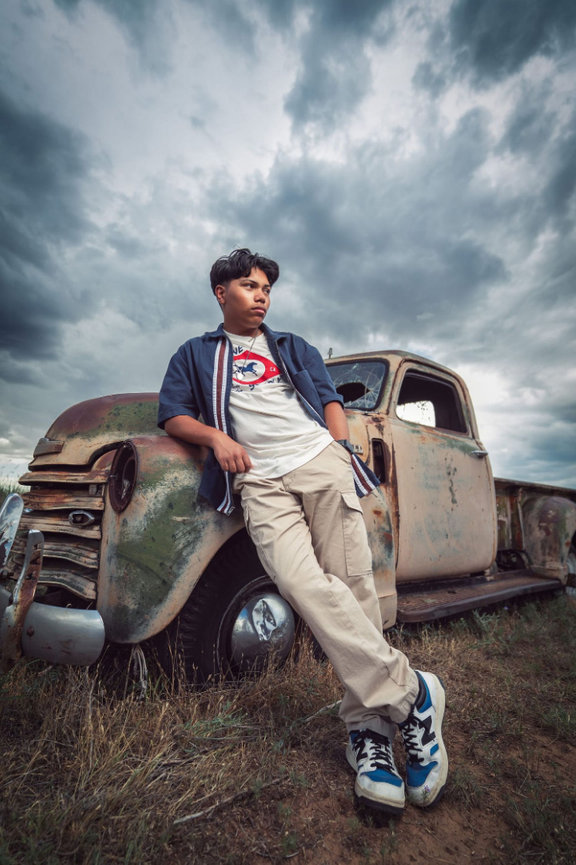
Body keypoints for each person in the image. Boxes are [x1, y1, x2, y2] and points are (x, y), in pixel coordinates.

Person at [158, 248, 448, 815]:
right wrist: (217, 439)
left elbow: (328, 399)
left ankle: (369, 735)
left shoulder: (293, 347)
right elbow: (173, 414)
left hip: (317, 460)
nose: (261, 294)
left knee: (353, 585)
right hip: (258, 480)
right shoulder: (195, 353)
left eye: (266, 286)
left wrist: (339, 451)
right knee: (299, 582)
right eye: (249, 285)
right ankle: (413, 693)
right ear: (221, 293)